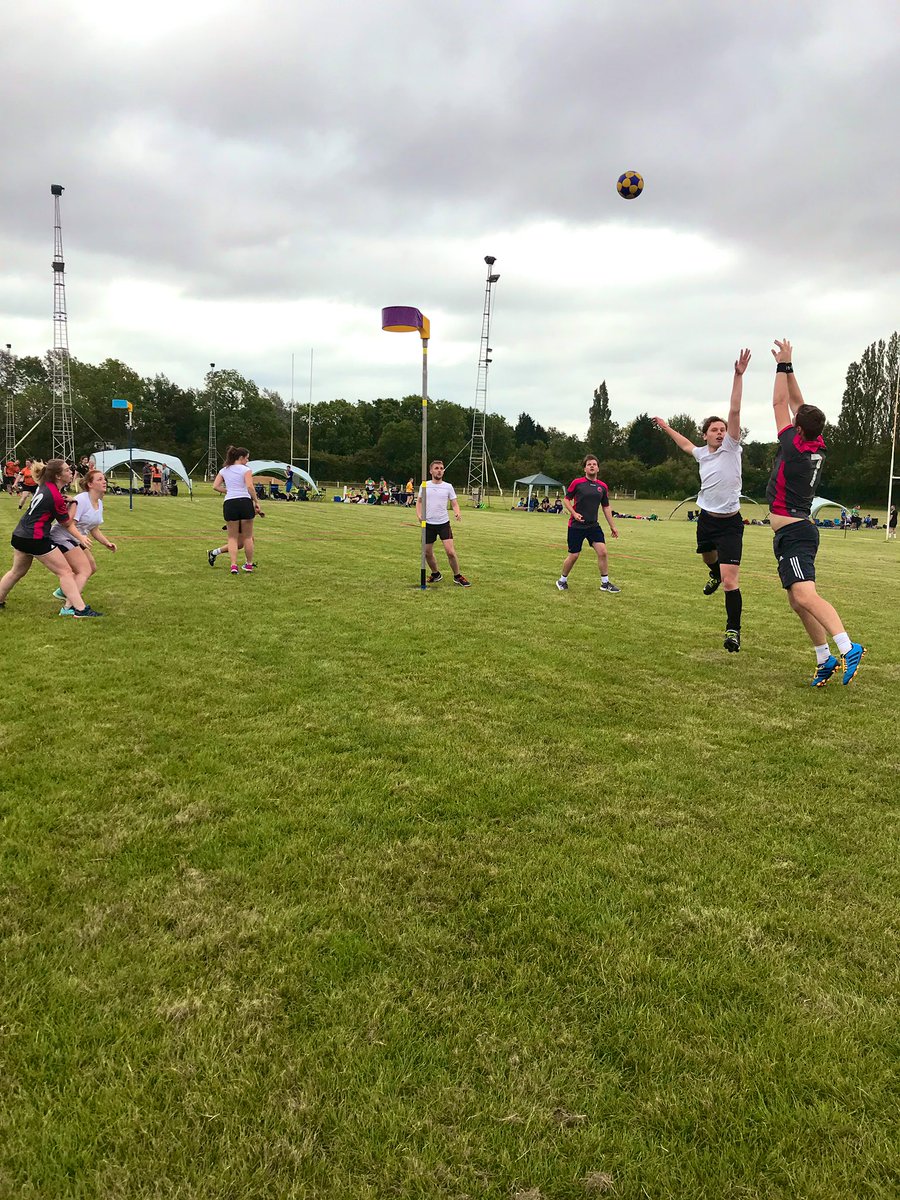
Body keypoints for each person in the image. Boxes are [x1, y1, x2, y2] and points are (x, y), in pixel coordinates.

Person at [767, 339, 865, 686]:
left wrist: (780, 366)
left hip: (795, 532)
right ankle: (824, 658)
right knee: (797, 600)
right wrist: (790, 364)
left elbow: (781, 401)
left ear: (798, 428)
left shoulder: (793, 446)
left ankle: (848, 646)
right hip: (795, 531)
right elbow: (798, 404)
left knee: (805, 595)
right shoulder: (816, 442)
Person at [653, 349, 751, 652]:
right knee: (709, 558)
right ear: (706, 435)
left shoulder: (732, 448)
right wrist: (667, 427)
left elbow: (734, 411)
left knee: (730, 580)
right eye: (715, 430)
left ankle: (732, 631)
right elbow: (683, 444)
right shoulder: (701, 453)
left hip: (731, 524)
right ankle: (713, 574)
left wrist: (738, 375)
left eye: (723, 430)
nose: (721, 433)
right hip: (706, 519)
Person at [0, 458, 101, 617]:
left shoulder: (46, 486)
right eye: (67, 470)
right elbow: (67, 523)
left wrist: (65, 500)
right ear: (58, 476)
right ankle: (80, 609)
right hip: (36, 538)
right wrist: (74, 504)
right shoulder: (54, 494)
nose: (70, 472)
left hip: (20, 535)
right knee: (66, 572)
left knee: (17, 571)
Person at [50, 469, 118, 608]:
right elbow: (69, 524)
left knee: (92, 567)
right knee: (84, 570)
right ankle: (69, 607)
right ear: (90, 484)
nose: (104, 481)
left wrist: (106, 543)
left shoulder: (99, 502)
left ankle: (64, 591)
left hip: (75, 538)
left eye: (104, 479)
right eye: (99, 479)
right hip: (62, 536)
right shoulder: (82, 499)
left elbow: (94, 529)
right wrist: (81, 537)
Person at [556, 454, 620, 592]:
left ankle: (605, 583)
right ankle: (562, 581)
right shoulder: (577, 483)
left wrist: (613, 526)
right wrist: (574, 513)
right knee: (574, 555)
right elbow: (566, 500)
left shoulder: (602, 487)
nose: (592, 466)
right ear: (585, 468)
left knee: (603, 552)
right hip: (576, 525)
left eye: (594, 464)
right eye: (589, 464)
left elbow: (606, 507)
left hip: (593, 525)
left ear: (598, 468)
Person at [415, 460, 470, 586]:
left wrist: (457, 512)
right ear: (431, 471)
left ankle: (457, 576)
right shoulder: (425, 485)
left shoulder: (448, 486)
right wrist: (419, 515)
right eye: (436, 468)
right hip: (428, 524)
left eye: (441, 468)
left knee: (450, 552)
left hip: (443, 523)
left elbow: (454, 503)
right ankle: (436, 574)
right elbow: (419, 502)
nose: (439, 470)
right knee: (427, 552)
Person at [210, 446, 260, 574]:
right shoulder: (246, 470)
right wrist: (256, 501)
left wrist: (229, 491)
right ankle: (248, 565)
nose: (247, 461)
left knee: (232, 538)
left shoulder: (224, 470)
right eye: (247, 458)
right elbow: (249, 486)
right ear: (241, 458)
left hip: (230, 502)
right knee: (248, 537)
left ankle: (233, 566)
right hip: (245, 502)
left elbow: (215, 486)